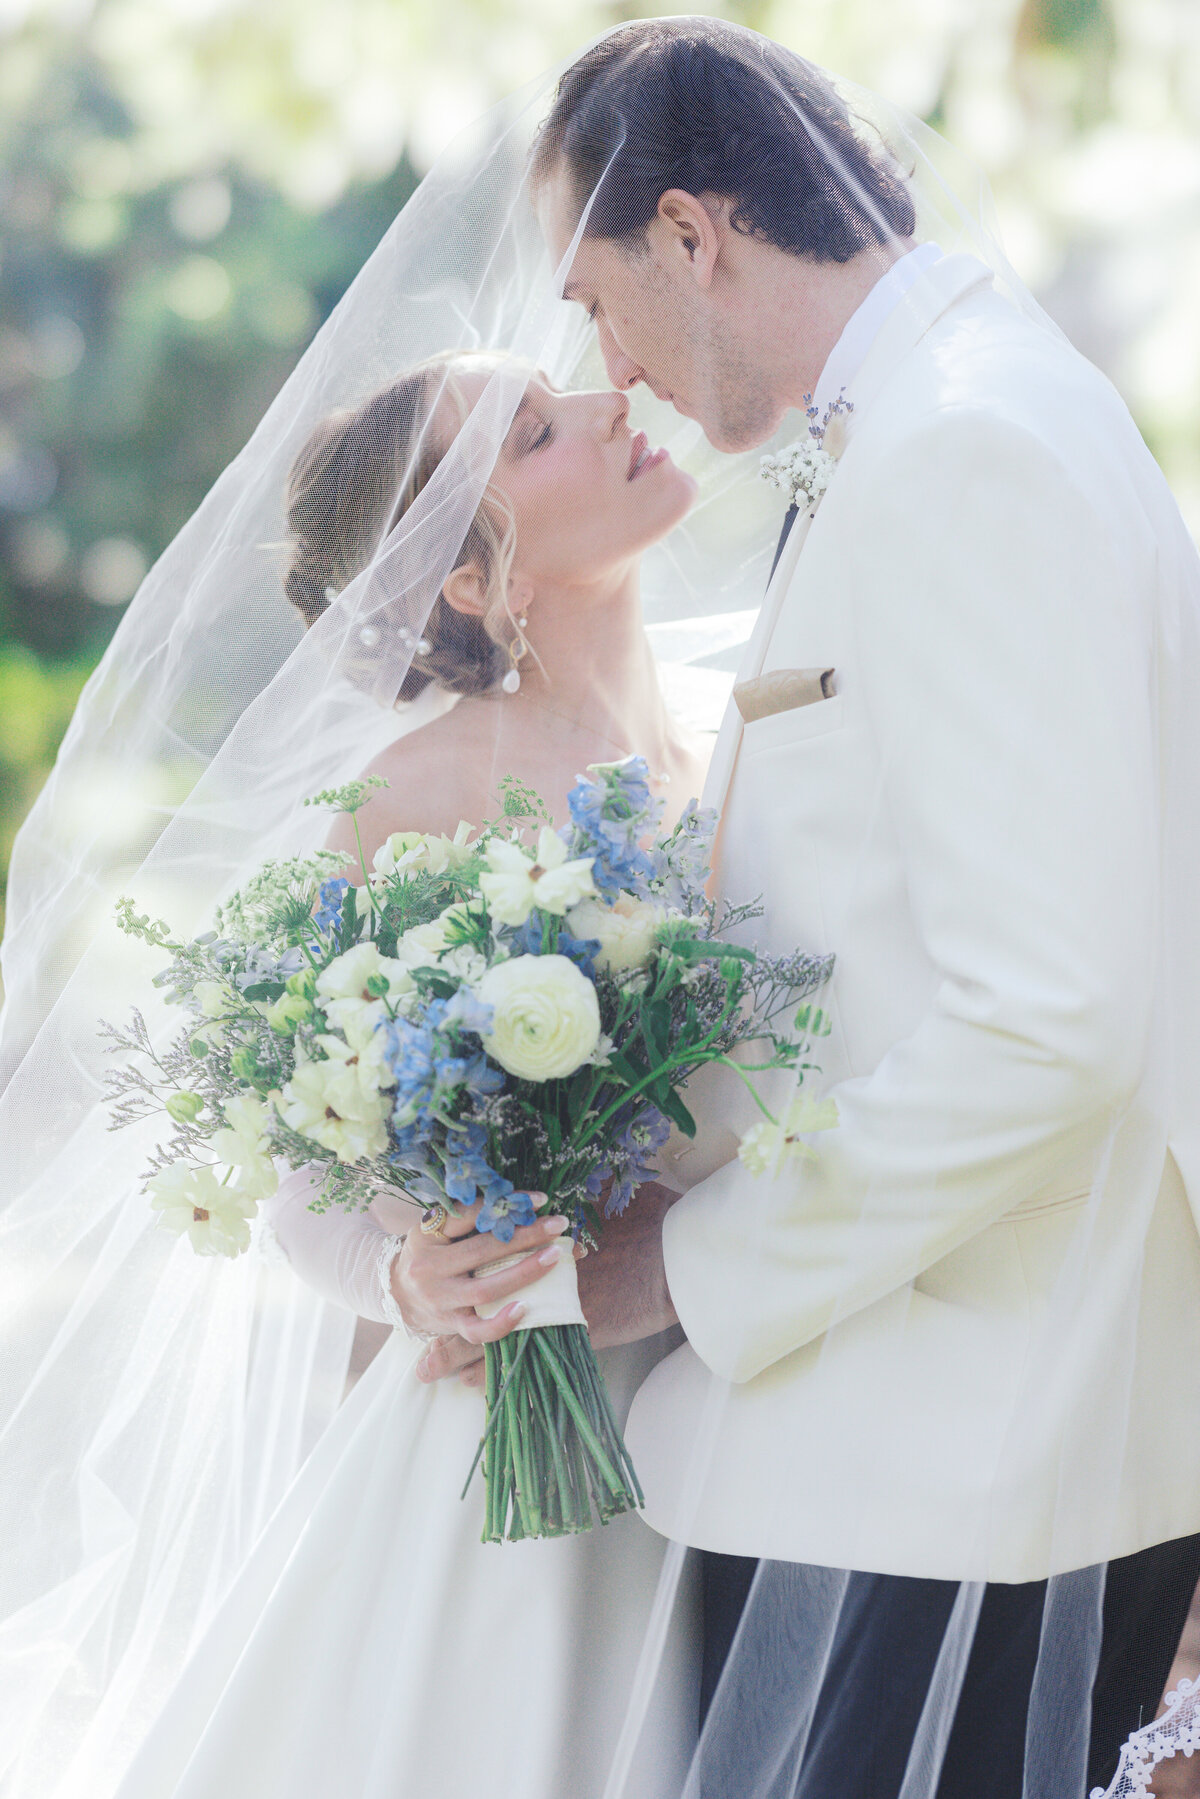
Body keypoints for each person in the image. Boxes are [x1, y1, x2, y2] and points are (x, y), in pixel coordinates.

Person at [440, 18, 1200, 1798]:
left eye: (592, 289)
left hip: (954, 1456)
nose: (597, 354)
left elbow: (1053, 1017)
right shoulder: (956, 406)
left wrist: (677, 1275)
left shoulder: (964, 447)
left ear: (694, 234)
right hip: (931, 1434)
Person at [102, 351, 710, 1798]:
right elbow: (299, 1139)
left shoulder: (746, 729)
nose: (617, 405)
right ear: (465, 576)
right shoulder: (413, 792)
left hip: (733, 1378)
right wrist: (402, 1276)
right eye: (542, 433)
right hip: (517, 1436)